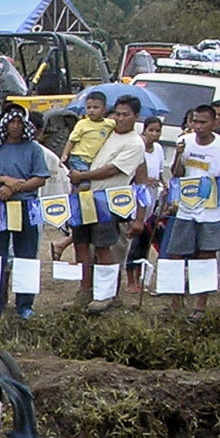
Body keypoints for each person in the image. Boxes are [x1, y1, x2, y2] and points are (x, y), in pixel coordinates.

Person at [68, 95, 146, 313]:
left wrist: (83, 175)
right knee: (81, 244)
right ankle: (84, 291)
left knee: (104, 247)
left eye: (126, 115)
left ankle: (106, 295)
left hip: (107, 200)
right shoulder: (106, 131)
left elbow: (112, 169)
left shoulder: (135, 143)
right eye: (118, 114)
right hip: (84, 196)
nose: (120, 119)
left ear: (136, 117)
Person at [167, 104, 220, 322]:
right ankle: (175, 301)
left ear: (214, 122)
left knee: (204, 257)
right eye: (194, 121)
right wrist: (178, 156)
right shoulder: (185, 142)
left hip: (211, 212)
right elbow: (176, 173)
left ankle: (200, 305)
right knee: (176, 255)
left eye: (202, 122)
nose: (197, 126)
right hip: (186, 210)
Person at [0, 105, 49, 319]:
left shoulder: (34, 148)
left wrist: (15, 188)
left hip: (26, 207)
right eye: (12, 122)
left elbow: (40, 177)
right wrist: (4, 181)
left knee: (26, 256)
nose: (16, 126)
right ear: (5, 124)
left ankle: (25, 305)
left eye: (20, 122)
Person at [126, 116, 166, 294]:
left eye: (158, 131)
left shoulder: (158, 149)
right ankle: (129, 279)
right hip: (136, 200)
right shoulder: (137, 148)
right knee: (133, 241)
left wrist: (164, 187)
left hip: (152, 200)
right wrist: (144, 179)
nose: (154, 134)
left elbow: (161, 172)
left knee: (144, 242)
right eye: (151, 130)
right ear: (144, 130)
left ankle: (140, 276)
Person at [61, 90, 112, 176]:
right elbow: (72, 140)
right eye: (89, 107)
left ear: (104, 110)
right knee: (84, 182)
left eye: (96, 108)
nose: (92, 110)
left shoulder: (109, 124)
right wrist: (64, 154)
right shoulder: (82, 124)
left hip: (95, 160)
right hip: (79, 159)